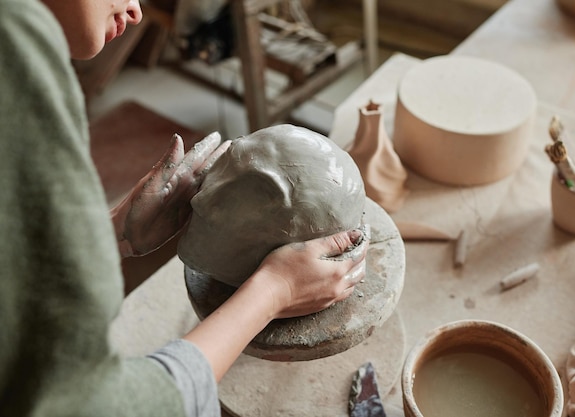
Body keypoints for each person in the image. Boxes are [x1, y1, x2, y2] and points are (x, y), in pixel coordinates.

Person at [0, 0, 369, 416]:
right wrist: (271, 293)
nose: (137, 10)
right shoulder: (13, 44)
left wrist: (112, 235)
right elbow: (83, 404)